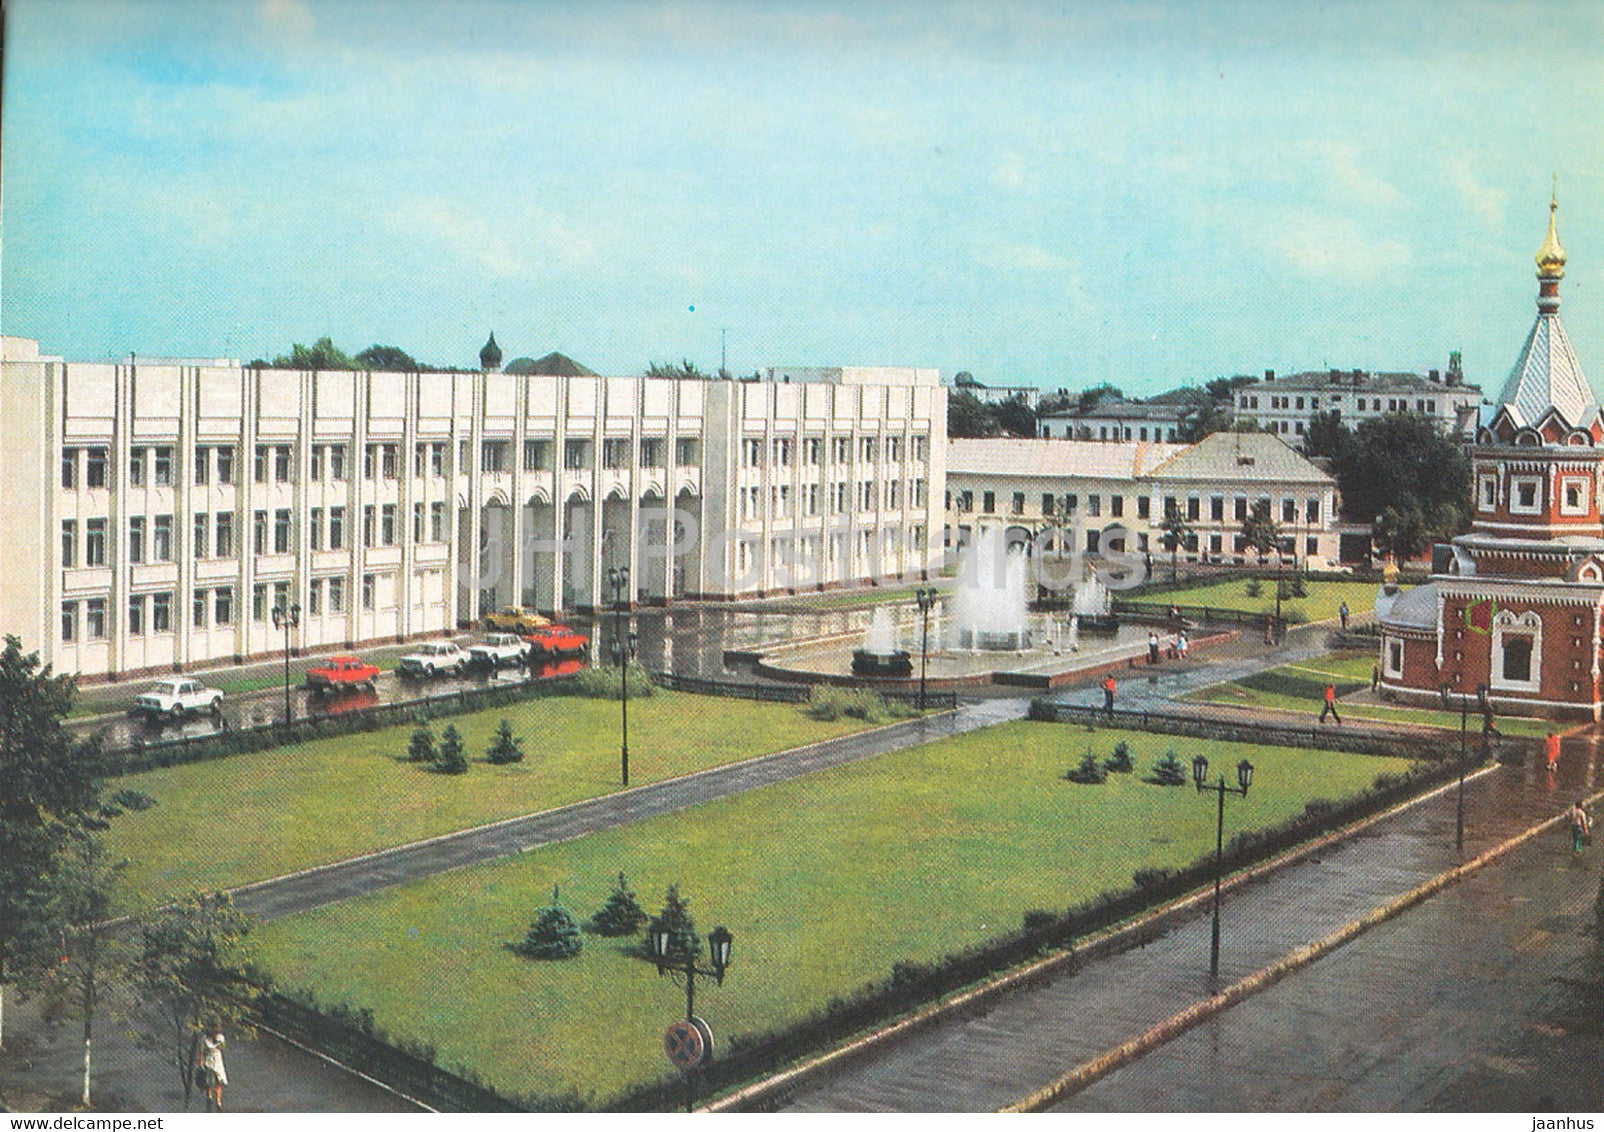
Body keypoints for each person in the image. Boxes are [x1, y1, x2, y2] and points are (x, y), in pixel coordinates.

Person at [200, 1029, 227, 1111]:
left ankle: (218, 1101)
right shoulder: (205, 1040)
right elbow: (201, 1051)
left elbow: (222, 1046)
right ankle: (209, 1097)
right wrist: (201, 1062)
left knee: (219, 1080)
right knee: (208, 1080)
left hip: (217, 1061)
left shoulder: (220, 1038)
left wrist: (217, 1042)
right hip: (209, 1060)